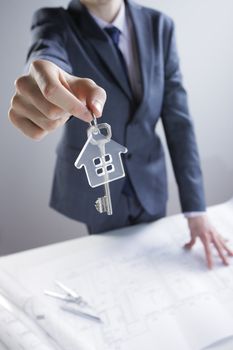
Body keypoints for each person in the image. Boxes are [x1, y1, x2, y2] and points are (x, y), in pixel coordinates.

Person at [8, 0, 233, 268]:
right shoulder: (56, 22)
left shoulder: (159, 26)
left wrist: (196, 209)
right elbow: (46, 51)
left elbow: (178, 121)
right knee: (110, 267)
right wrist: (42, 78)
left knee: (156, 268)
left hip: (150, 182)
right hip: (96, 184)